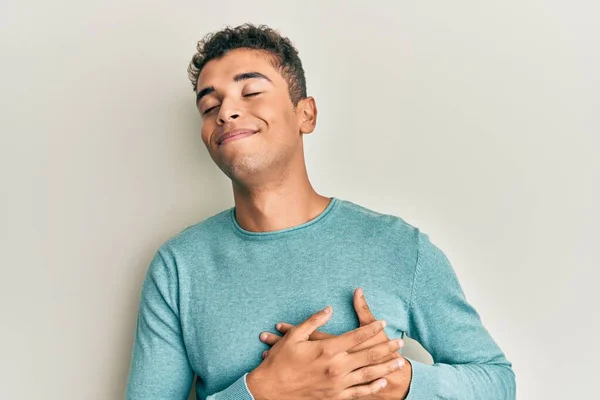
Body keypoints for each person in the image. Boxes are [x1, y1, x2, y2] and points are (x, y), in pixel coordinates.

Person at [126, 23, 516, 400]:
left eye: (251, 92)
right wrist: (264, 392)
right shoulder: (179, 267)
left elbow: (498, 383)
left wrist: (396, 382)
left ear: (305, 115)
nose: (226, 111)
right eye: (210, 105)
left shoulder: (397, 246)